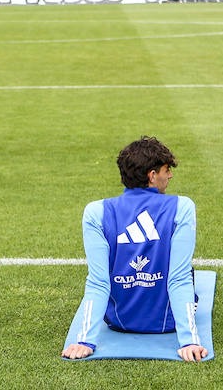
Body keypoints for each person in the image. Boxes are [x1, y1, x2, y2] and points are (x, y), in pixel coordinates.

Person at [61, 136, 207, 362]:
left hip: (119, 322)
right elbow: (178, 279)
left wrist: (84, 341)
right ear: (152, 176)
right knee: (185, 272)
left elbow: (99, 281)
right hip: (166, 324)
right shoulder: (182, 207)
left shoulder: (95, 211)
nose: (170, 175)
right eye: (166, 170)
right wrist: (189, 341)